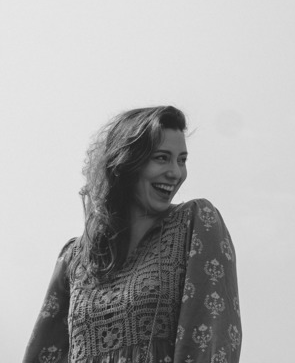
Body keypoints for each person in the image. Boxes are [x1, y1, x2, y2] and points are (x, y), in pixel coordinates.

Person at [24, 106, 242, 363]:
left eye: (182, 160)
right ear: (127, 162)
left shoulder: (194, 223)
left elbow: (210, 340)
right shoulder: (76, 259)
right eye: (162, 158)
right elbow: (43, 354)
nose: (175, 172)